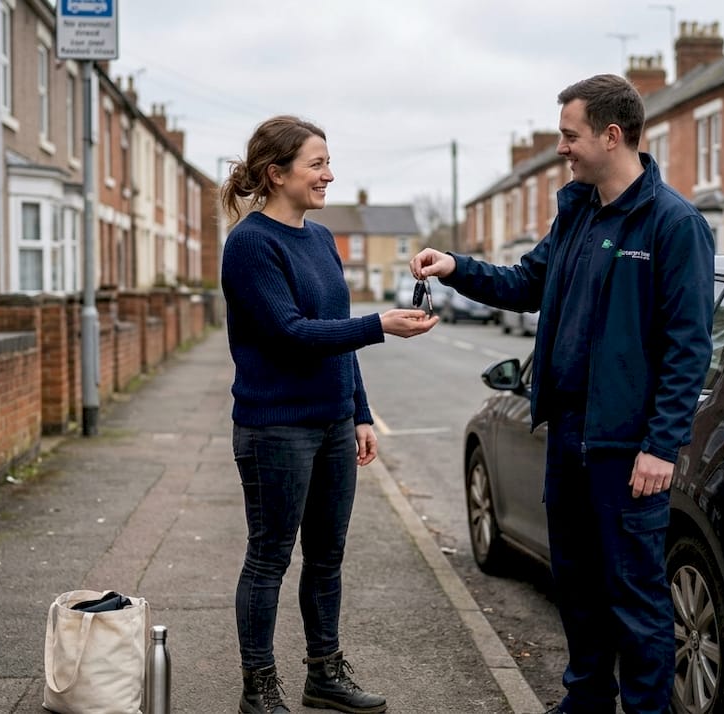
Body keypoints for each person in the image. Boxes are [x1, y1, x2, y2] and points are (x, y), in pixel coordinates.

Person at [410, 75, 714, 714]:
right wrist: (456, 267)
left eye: (570, 136)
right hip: (567, 431)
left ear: (611, 134)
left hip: (627, 447)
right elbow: (526, 282)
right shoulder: (577, 209)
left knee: (634, 594)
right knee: (575, 583)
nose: (562, 150)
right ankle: (585, 702)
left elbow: (689, 347)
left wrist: (661, 446)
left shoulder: (673, 224)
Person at [220, 115, 437, 714]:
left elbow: (336, 337)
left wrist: (359, 411)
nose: (329, 175)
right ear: (276, 173)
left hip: (333, 424)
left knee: (327, 555)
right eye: (317, 164)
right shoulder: (249, 244)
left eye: (327, 162)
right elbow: (291, 333)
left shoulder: (320, 239)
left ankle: (324, 672)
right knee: (269, 556)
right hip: (275, 427)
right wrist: (380, 325)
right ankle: (258, 685)